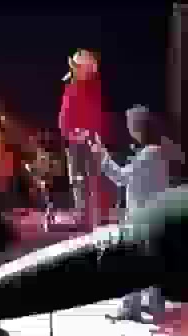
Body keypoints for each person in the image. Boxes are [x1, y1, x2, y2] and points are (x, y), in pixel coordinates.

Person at [94, 106, 175, 322]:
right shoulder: (156, 153)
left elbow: (121, 178)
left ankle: (132, 308)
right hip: (153, 215)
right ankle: (153, 305)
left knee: (133, 262)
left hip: (142, 217)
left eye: (131, 124)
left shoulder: (149, 155)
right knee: (149, 262)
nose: (129, 129)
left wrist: (102, 156)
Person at [58, 50, 113, 227]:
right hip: (76, 141)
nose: (73, 71)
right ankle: (85, 215)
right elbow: (65, 116)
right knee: (79, 180)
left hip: (87, 141)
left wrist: (85, 134)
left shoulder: (90, 89)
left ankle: (96, 216)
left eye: (76, 67)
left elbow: (94, 118)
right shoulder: (73, 86)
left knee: (92, 179)